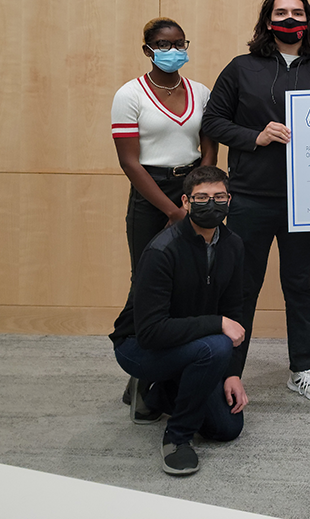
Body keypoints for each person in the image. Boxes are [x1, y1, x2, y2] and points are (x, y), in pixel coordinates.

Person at [203, 0, 310, 404]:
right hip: (249, 198)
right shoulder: (241, 68)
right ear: (267, 21)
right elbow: (213, 120)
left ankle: (301, 368)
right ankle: (231, 372)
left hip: (302, 203)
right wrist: (255, 137)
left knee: (299, 287)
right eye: (280, 12)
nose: (289, 18)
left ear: (309, 21)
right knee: (243, 287)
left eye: (297, 12)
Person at [109, 166, 247, 476]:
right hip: (139, 348)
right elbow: (150, 332)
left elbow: (235, 311)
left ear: (229, 199)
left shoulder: (233, 245)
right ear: (185, 201)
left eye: (218, 196)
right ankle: (177, 438)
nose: (211, 204)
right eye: (201, 197)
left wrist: (233, 374)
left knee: (227, 427)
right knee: (215, 346)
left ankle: (157, 393)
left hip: (190, 343)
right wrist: (217, 324)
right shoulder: (162, 250)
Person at [112, 17, 217, 406]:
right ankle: (140, 376)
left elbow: (208, 146)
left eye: (178, 44)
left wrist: (200, 191)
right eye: (162, 44)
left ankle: (176, 369)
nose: (172, 51)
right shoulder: (129, 94)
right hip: (150, 195)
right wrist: (174, 212)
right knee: (147, 282)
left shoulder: (201, 91)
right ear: (147, 49)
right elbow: (130, 163)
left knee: (189, 281)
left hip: (193, 189)